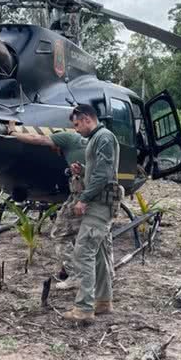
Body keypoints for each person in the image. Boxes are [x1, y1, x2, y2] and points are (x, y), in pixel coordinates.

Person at [6, 122, 86, 289]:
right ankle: (74, 271)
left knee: (60, 233)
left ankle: (76, 275)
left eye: (54, 147)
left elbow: (37, 138)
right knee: (83, 237)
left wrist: (13, 132)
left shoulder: (65, 138)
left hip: (82, 197)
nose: (54, 151)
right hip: (89, 197)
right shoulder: (80, 147)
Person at [62, 104, 122, 323]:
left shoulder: (103, 138)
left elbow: (104, 175)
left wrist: (83, 198)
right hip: (101, 202)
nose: (76, 130)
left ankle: (84, 308)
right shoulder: (99, 139)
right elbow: (98, 172)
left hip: (99, 204)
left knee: (83, 251)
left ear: (87, 119)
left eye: (77, 125)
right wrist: (84, 171)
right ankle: (103, 302)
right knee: (98, 254)